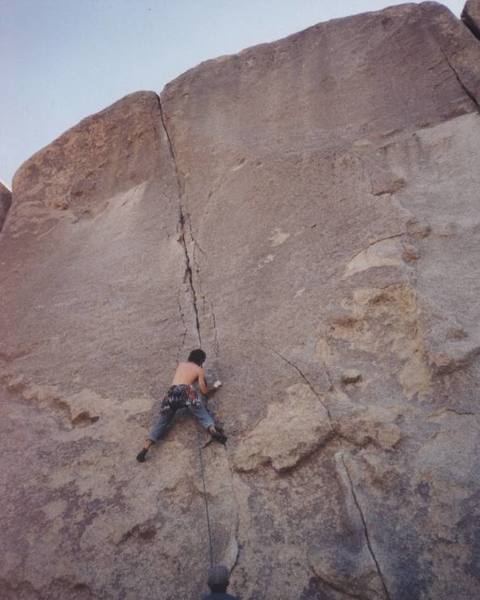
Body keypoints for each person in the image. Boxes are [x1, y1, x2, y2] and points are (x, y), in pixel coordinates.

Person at [136, 349, 226, 462]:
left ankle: (145, 448)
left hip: (171, 393)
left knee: (162, 421)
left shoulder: (181, 364)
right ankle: (212, 429)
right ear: (201, 360)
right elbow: (203, 390)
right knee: (200, 411)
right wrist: (215, 387)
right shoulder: (199, 369)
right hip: (186, 390)